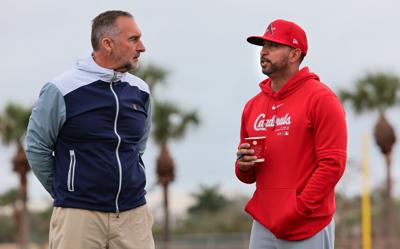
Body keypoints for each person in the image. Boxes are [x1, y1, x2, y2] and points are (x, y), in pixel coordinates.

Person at [25, 10, 154, 249]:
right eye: (133, 39)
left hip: (134, 214)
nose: (142, 47)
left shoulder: (141, 91)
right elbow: (36, 148)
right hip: (78, 216)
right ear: (107, 44)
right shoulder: (61, 89)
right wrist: (68, 191)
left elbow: (138, 147)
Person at [235, 19, 347, 249]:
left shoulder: (322, 99)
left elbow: (332, 164)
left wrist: (299, 209)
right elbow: (248, 176)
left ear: (295, 54)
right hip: (264, 223)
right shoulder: (252, 106)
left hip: (308, 224)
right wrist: (244, 165)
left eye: (274, 46)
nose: (264, 51)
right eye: (263, 45)